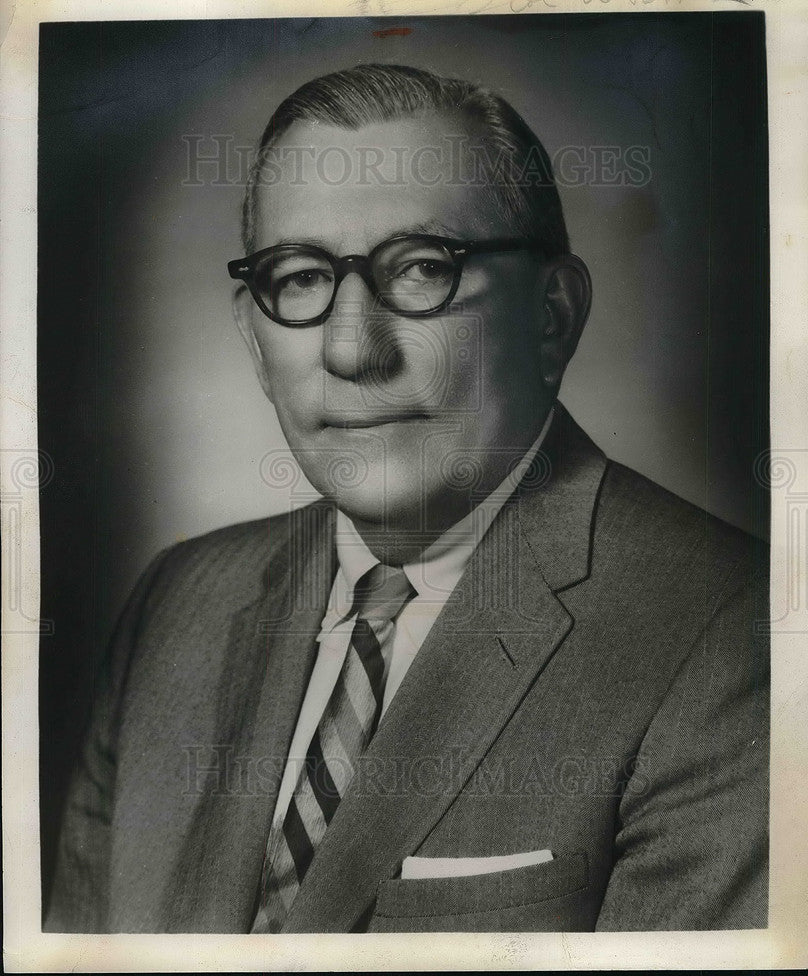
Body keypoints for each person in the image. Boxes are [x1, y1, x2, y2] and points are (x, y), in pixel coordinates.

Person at [45, 63, 769, 934]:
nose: (353, 351)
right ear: (255, 337)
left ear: (551, 316)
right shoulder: (176, 604)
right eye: (301, 277)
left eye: (424, 268)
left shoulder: (734, 637)